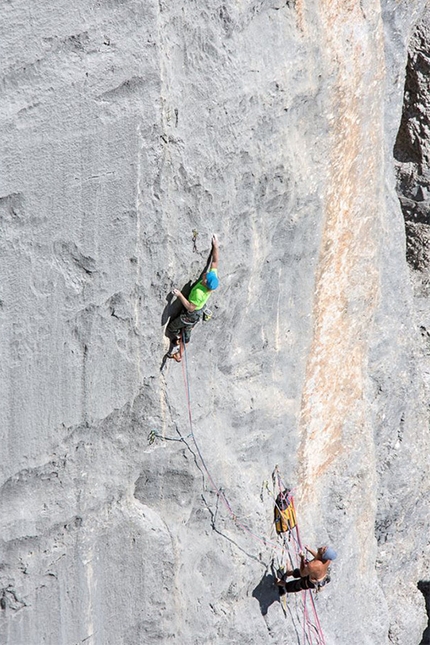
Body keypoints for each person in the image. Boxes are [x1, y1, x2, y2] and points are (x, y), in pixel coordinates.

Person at [167, 235, 219, 361]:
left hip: (192, 314)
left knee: (172, 328)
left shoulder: (199, 293)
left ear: (205, 283)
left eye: (206, 277)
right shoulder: (212, 279)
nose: (205, 274)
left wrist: (179, 295)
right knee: (187, 331)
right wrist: (216, 247)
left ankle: (177, 346)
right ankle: (181, 342)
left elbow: (190, 307)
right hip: (198, 310)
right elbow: (215, 262)